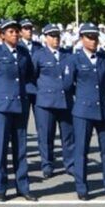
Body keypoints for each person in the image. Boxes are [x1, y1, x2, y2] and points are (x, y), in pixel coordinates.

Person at [62, 23, 105, 201]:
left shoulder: (104, 58)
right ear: (81, 39)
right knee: (81, 150)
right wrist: (83, 96)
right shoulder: (74, 59)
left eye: (95, 37)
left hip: (103, 109)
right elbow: (68, 85)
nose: (93, 40)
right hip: (83, 110)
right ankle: (82, 188)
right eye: (89, 37)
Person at [0, 18, 36, 202]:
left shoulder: (23, 53)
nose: (14, 34)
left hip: (20, 106)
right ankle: (1, 188)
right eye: (10, 32)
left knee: (20, 149)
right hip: (1, 107)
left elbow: (29, 74)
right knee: (1, 149)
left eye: (16, 31)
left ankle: (23, 187)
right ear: (3, 35)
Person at [32, 23, 74, 179]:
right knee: (46, 136)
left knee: (68, 136)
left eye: (57, 36)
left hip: (65, 101)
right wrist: (41, 94)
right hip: (46, 102)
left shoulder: (68, 55)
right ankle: (47, 164)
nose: (56, 39)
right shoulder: (39, 55)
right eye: (52, 36)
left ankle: (70, 164)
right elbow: (32, 76)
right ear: (45, 38)